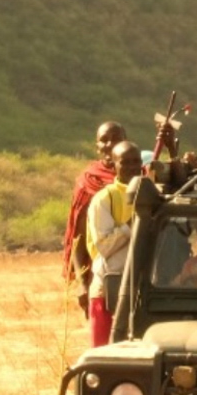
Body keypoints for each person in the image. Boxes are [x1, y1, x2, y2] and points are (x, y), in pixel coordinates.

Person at [62, 121, 126, 315]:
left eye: (116, 139)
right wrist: (82, 284)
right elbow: (78, 238)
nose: (109, 144)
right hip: (100, 275)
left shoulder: (139, 176)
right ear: (97, 147)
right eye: (104, 140)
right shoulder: (88, 182)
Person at [86, 141, 145, 347]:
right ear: (114, 165)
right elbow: (104, 246)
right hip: (107, 292)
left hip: (142, 292)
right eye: (125, 162)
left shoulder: (150, 192)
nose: (132, 167)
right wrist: (133, 225)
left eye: (136, 161)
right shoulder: (104, 198)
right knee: (104, 356)